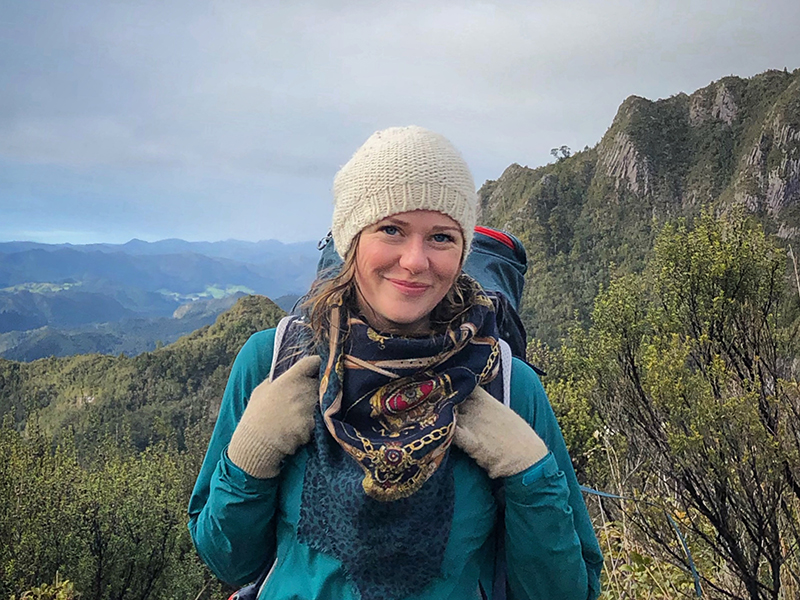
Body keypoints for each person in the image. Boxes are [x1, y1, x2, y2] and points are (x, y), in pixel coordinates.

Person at [188, 126, 603, 600]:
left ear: (462, 251)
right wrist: (252, 454)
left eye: (441, 237)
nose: (414, 260)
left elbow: (566, 591)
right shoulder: (276, 360)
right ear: (352, 238)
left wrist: (530, 474)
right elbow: (228, 559)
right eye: (391, 229)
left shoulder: (506, 384)